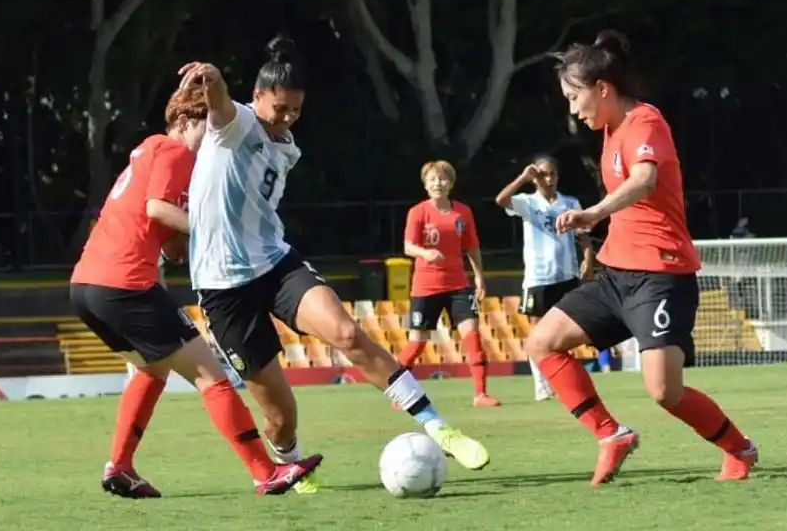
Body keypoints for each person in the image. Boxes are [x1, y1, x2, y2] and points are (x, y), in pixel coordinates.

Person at [180, 37, 490, 492]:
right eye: (280, 108)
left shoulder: (287, 148)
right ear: (258, 97)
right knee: (280, 420)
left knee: (347, 332)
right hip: (223, 289)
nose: (286, 119)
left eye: (295, 112)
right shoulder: (236, 123)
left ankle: (437, 425)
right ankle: (291, 460)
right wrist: (213, 80)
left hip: (275, 265)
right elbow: (221, 104)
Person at [525, 29, 758, 487]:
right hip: (616, 275)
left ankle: (739, 448)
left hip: (661, 276)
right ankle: (611, 435)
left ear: (603, 89)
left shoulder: (645, 121)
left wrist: (593, 213)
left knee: (664, 392)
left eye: (575, 97)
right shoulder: (610, 130)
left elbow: (645, 179)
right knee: (541, 343)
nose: (573, 109)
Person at [70, 87, 322, 499]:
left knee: (152, 371)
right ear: (184, 123)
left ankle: (120, 465)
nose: (215, 137)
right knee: (210, 375)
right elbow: (156, 208)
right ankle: (265, 472)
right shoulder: (175, 152)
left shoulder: (147, 152)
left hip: (87, 288)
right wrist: (220, 230)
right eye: (209, 127)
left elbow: (163, 232)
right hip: (125, 284)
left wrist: (189, 243)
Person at [399, 160, 500, 408]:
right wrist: (425, 253)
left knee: (473, 336)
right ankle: (399, 393)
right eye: (432, 179)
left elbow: (472, 246)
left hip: (458, 284)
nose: (438, 183)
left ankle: (480, 394)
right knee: (417, 343)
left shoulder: (462, 212)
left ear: (451, 183)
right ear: (425, 184)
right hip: (425, 286)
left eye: (442, 179)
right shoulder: (418, 212)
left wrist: (478, 276)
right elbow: (408, 246)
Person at [495, 155, 593, 401]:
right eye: (542, 174)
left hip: (566, 275)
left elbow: (583, 235)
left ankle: (564, 379)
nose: (547, 179)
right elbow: (501, 200)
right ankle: (541, 384)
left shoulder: (570, 203)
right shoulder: (527, 203)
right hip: (538, 278)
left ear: (558, 176)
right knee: (537, 332)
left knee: (568, 330)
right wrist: (522, 177)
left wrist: (588, 258)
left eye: (551, 174)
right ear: (534, 177)